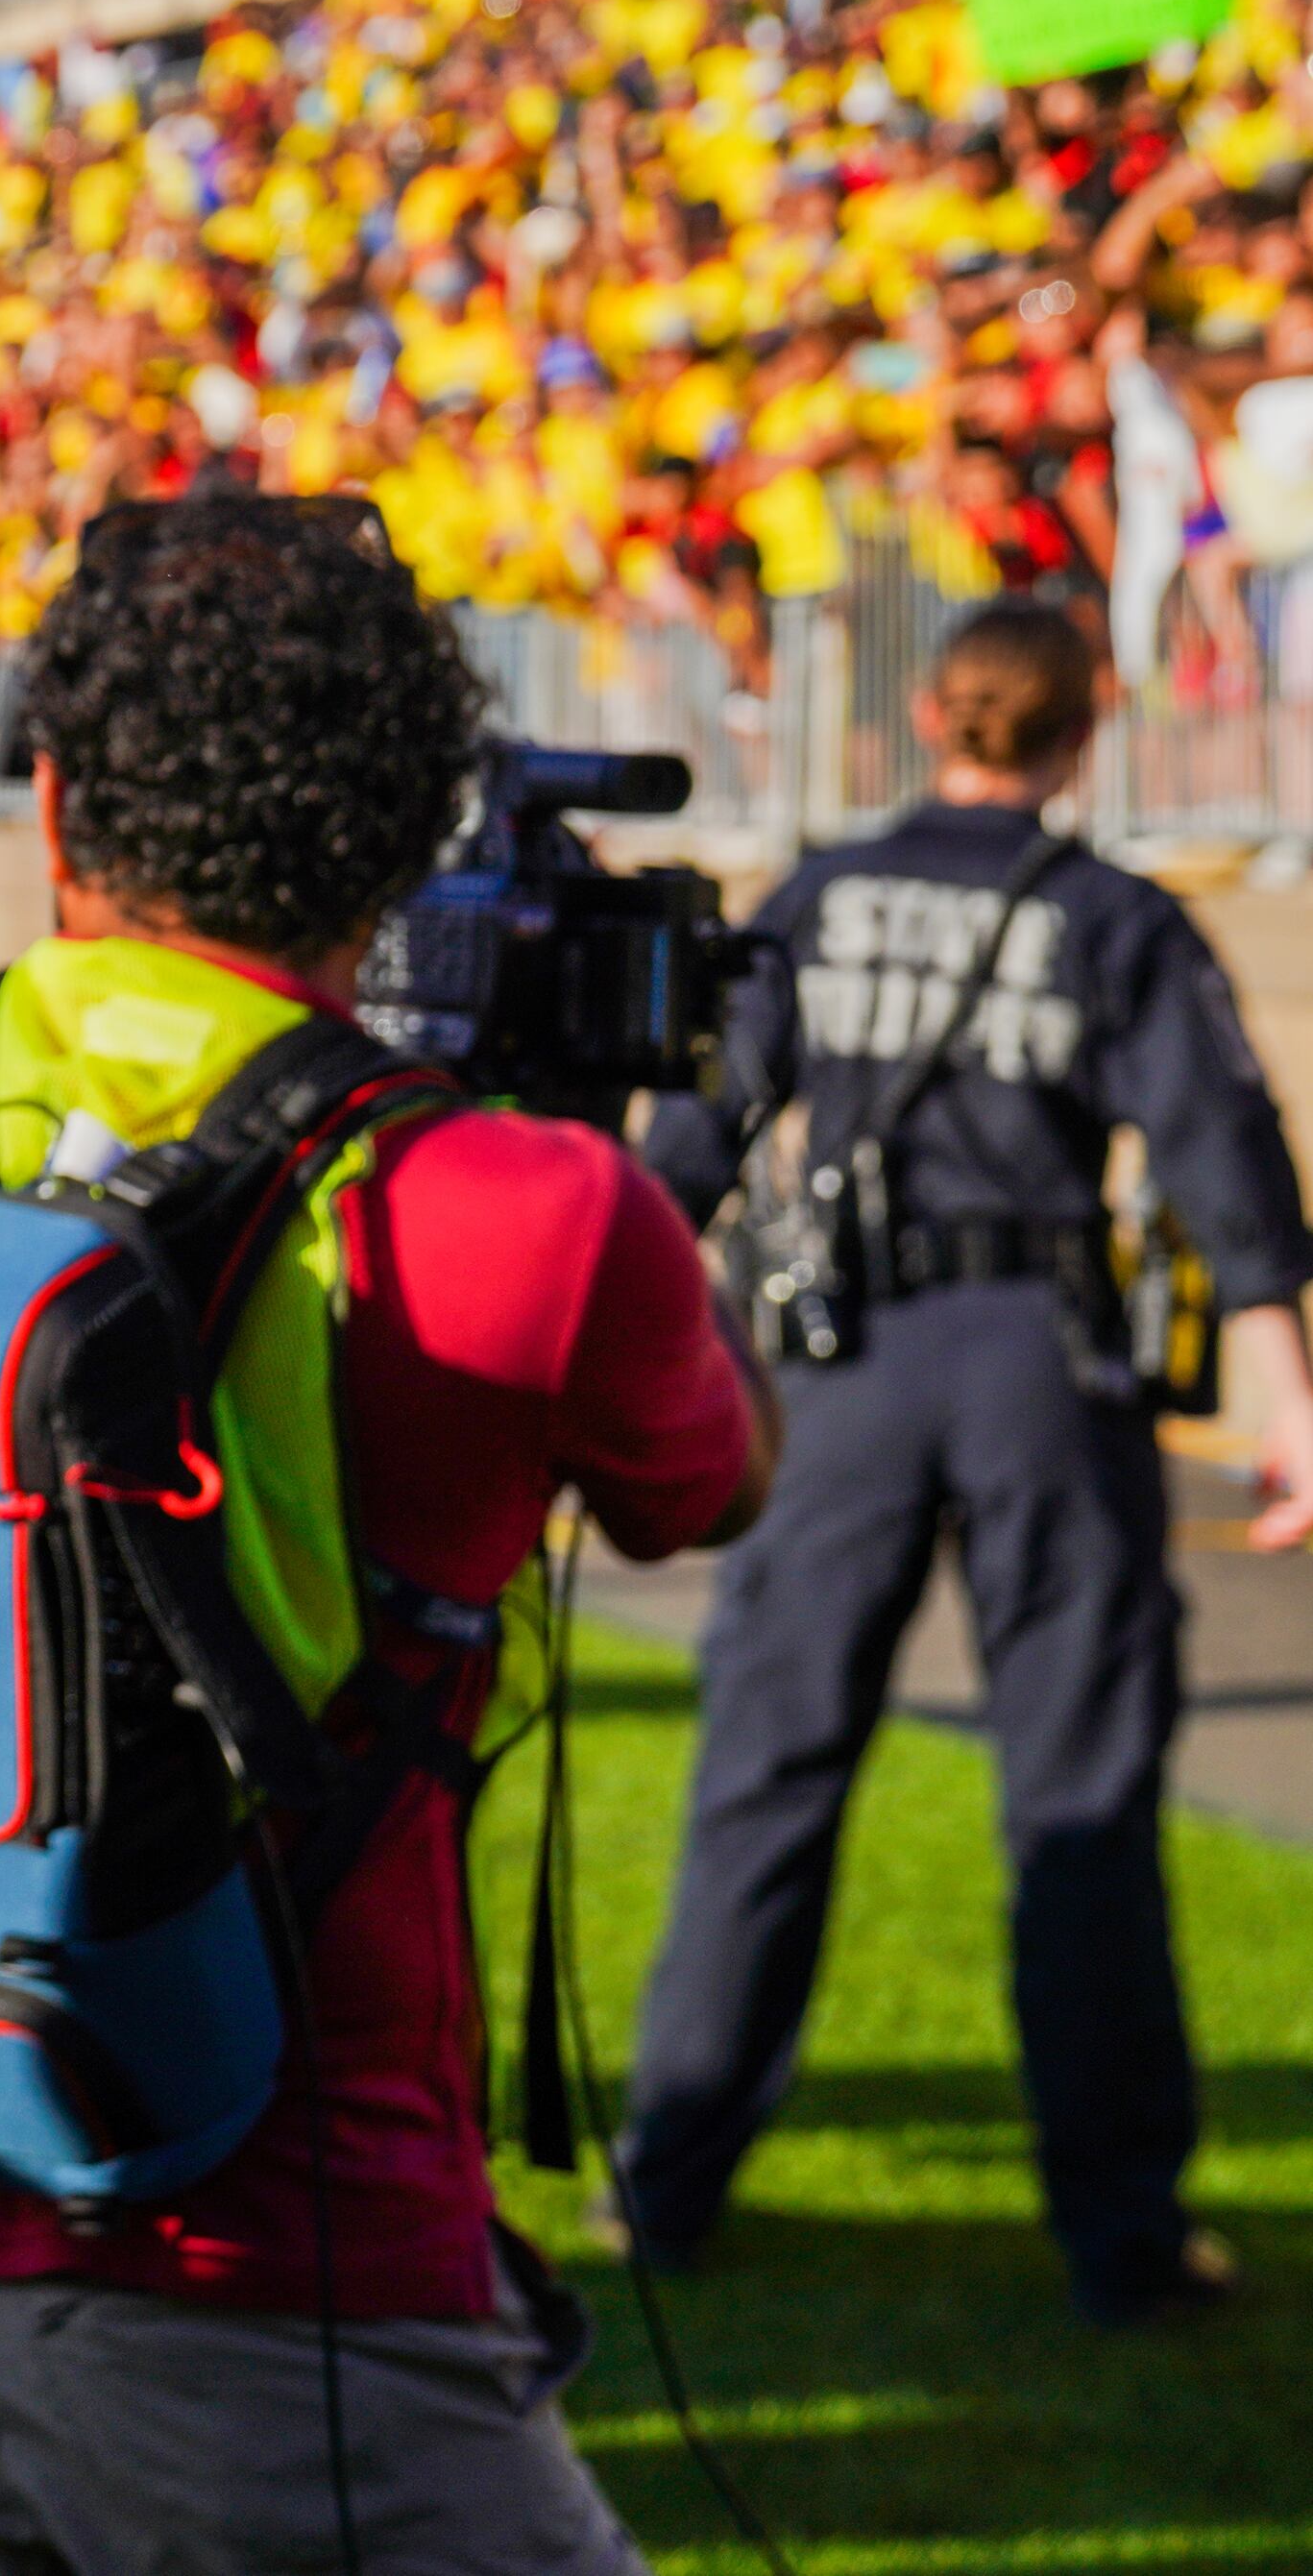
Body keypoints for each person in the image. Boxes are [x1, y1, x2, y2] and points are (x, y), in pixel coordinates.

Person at [0, 495, 766, 2576]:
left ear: (50, 797)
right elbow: (707, 1482)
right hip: (307, 2282)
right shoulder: (536, 1205)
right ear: (399, 847)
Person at [626, 596, 1313, 2322]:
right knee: (1079, 1785)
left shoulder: (822, 889)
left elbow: (694, 1134)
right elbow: (1221, 1146)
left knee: (766, 1770)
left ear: (930, 714)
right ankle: (1123, 2235)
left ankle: (670, 2179)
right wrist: (1286, 1384)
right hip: (1040, 1362)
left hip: (841, 1368)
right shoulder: (1112, 914)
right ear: (1088, 730)